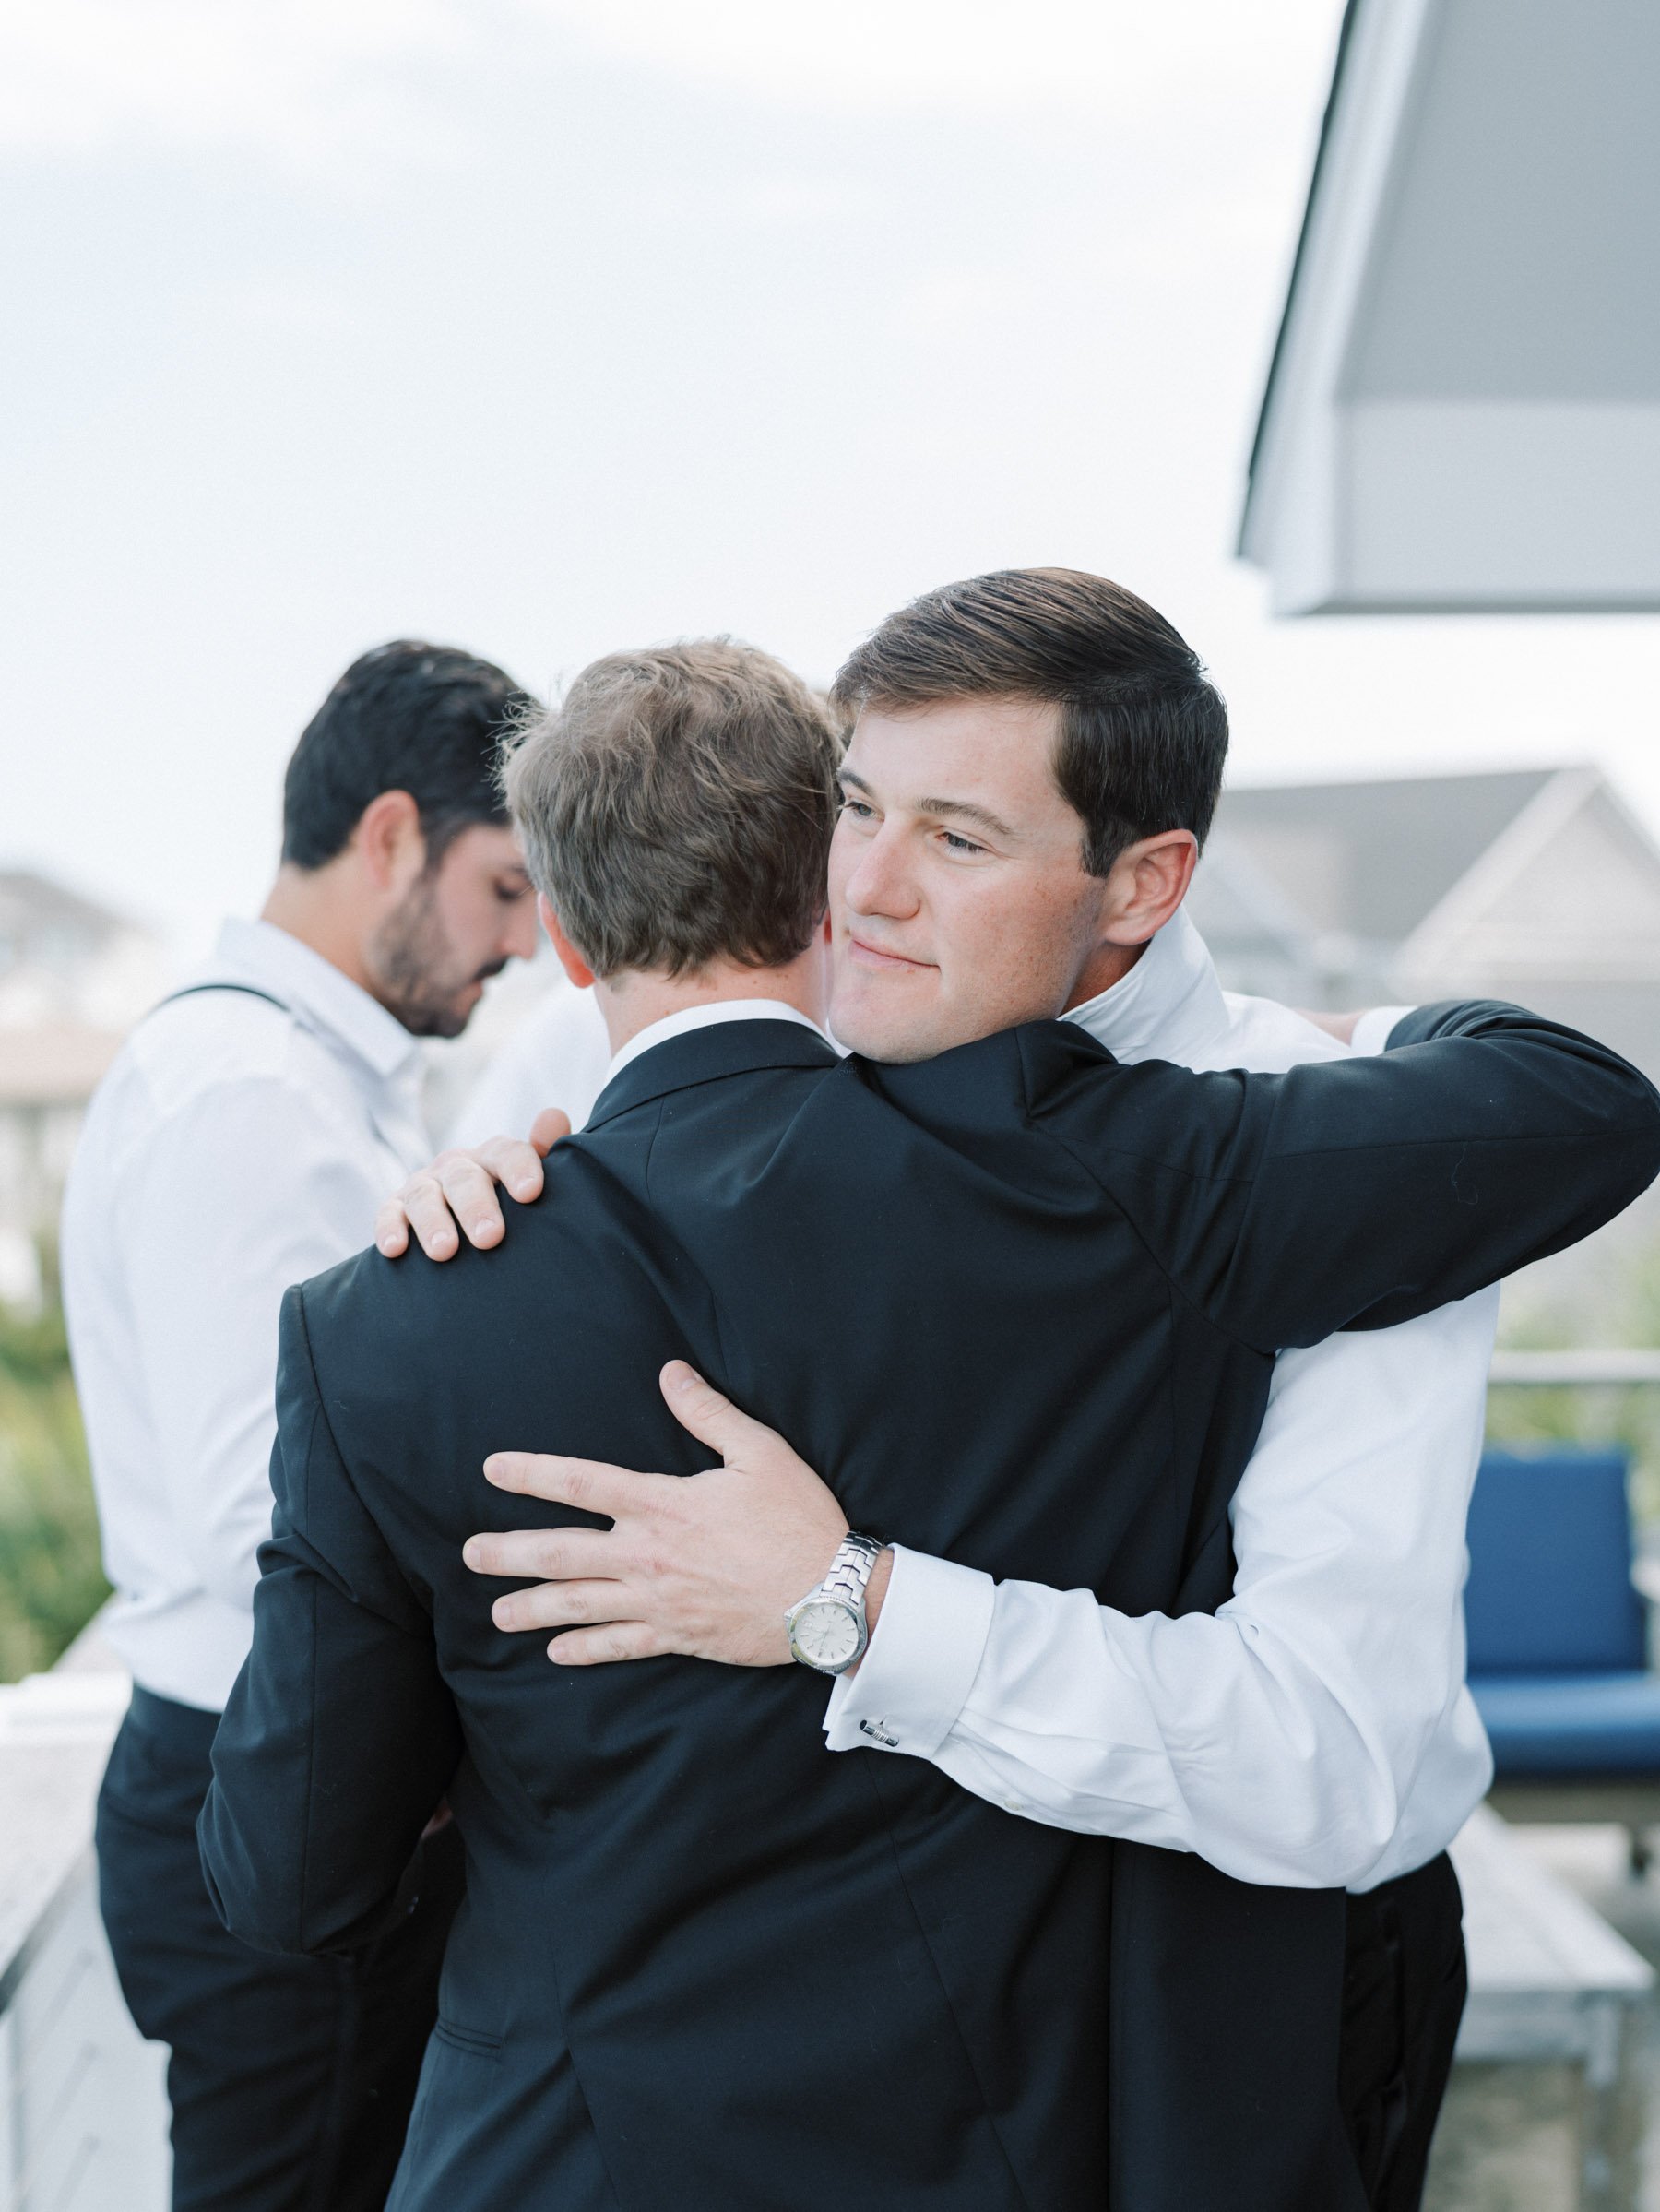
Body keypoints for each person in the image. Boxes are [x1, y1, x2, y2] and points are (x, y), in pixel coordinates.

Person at [201, 591, 1660, 2211]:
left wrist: (840, 1600)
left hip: (1221, 2011)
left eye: (956, 837)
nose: (872, 883)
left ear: (1146, 884)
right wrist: (472, 1198)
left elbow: (1329, 1766)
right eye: (855, 811)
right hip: (952, 2102)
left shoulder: (1233, 1151)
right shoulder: (1022, 1143)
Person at [61, 640, 540, 2212]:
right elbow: (258, 1508)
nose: (525, 946)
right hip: (273, 1780)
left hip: (270, 1769)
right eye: (503, 888)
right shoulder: (250, 1095)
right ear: (393, 834)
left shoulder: (288, 1070)